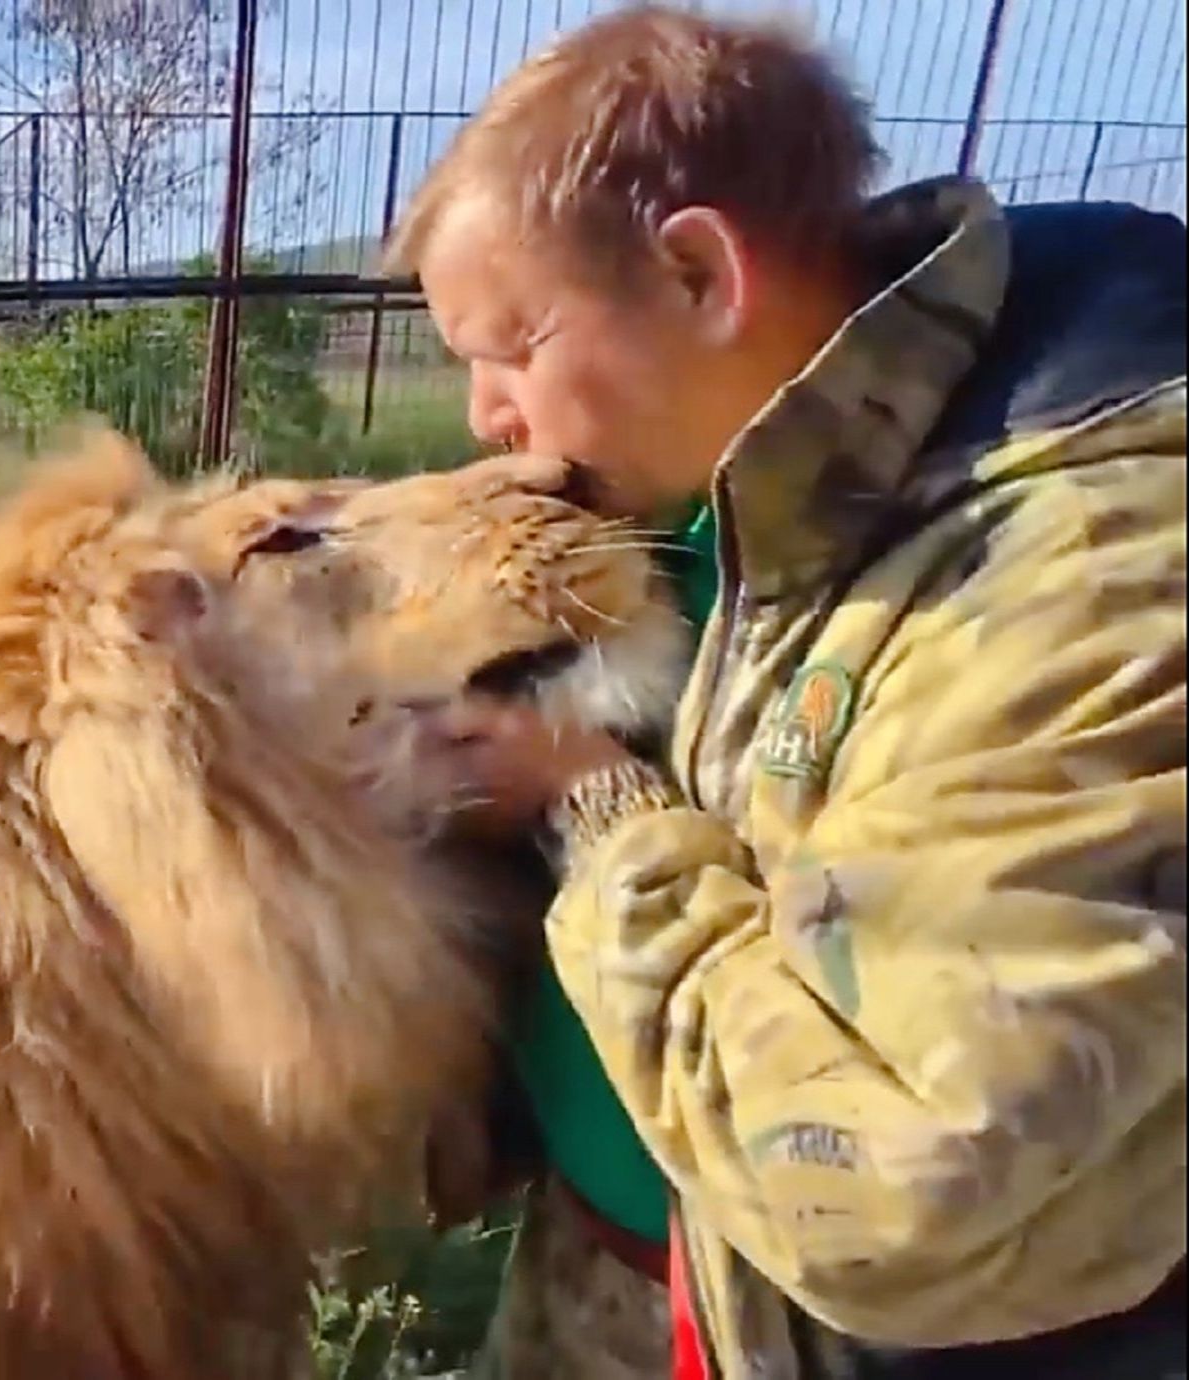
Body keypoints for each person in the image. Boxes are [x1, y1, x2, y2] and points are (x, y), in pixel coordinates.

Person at [378, 7, 1187, 1378]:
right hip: (639, 1260)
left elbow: (895, 1195)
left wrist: (588, 804)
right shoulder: (741, 471)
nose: (484, 418)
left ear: (699, 275)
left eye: (511, 346)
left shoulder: (1073, 579)